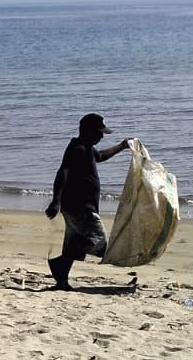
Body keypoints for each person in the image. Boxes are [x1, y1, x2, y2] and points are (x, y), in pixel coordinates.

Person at [45, 112, 133, 291]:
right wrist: (56, 201)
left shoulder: (86, 148)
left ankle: (61, 279)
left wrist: (122, 146)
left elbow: (100, 156)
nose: (102, 136)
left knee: (73, 243)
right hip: (80, 207)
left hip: (79, 206)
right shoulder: (78, 149)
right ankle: (58, 263)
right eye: (99, 132)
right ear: (88, 131)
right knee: (100, 244)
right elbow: (63, 172)